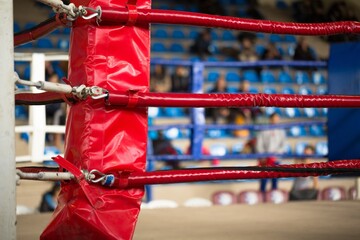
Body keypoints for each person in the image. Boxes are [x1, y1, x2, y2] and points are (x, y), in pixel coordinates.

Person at [256, 113, 287, 194]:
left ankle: (274, 195)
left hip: (276, 158)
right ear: (270, 119)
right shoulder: (264, 129)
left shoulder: (281, 131)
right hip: (265, 158)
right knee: (264, 178)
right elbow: (259, 144)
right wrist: (263, 155)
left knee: (275, 177)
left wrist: (277, 154)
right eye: (274, 118)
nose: (276, 120)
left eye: (277, 118)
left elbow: (283, 144)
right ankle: (262, 195)